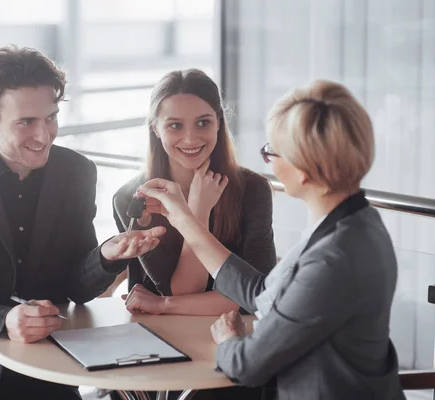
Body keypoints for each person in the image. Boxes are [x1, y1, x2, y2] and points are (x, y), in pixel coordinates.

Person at [0, 45, 165, 400]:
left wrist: (105, 256)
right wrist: (5, 319)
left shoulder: (76, 172)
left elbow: (75, 287)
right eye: (26, 122)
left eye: (51, 118)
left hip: (44, 360)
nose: (44, 135)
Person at [135, 80, 405, 399]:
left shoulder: (332, 260)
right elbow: (265, 293)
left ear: (302, 170)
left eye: (271, 152)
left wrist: (228, 340)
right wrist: (189, 220)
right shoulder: (356, 222)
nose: (270, 163)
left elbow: (248, 365)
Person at [112, 69, 276, 399]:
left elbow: (252, 297)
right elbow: (186, 288)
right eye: (175, 125)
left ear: (219, 123)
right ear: (155, 128)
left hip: (231, 351)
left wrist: (162, 304)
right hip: (157, 354)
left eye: (203, 123)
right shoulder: (135, 196)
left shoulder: (252, 189)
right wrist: (197, 211)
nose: (191, 139)